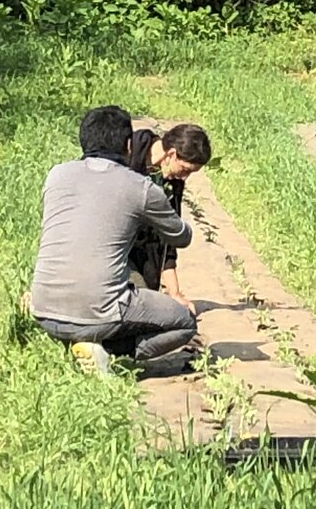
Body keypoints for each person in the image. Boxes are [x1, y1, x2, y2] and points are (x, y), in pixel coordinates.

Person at [28, 105, 198, 372]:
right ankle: (107, 351)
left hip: (43, 309)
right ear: (128, 145)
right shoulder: (142, 187)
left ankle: (70, 340)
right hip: (99, 312)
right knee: (185, 322)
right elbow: (181, 236)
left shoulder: (56, 175)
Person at [123, 122, 211, 295]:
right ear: (171, 154)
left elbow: (168, 233)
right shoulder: (126, 156)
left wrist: (175, 292)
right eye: (184, 170)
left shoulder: (173, 181)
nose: (184, 178)